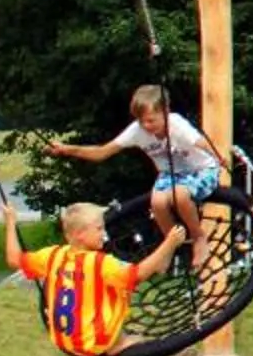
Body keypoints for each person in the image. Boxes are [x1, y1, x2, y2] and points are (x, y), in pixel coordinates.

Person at [46, 84, 226, 267]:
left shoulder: (177, 124)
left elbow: (201, 142)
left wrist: (219, 156)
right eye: (141, 121)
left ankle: (198, 236)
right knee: (157, 202)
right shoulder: (137, 131)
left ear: (165, 112)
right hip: (170, 174)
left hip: (200, 170)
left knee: (179, 194)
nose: (146, 126)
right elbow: (102, 152)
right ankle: (170, 244)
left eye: (151, 120)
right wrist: (68, 149)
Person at [7, 202, 189, 356]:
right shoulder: (100, 263)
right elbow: (137, 276)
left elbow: (14, 259)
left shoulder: (53, 255)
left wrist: (10, 222)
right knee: (123, 284)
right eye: (99, 229)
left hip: (64, 341)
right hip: (96, 344)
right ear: (80, 234)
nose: (104, 233)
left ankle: (159, 264)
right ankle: (120, 343)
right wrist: (169, 243)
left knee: (109, 281)